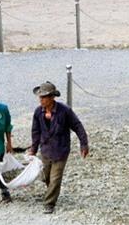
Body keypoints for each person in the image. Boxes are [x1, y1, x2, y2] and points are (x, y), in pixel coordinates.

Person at [29, 81, 89, 214]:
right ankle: (52, 192)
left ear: (51, 98)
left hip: (61, 150)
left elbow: (77, 126)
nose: (41, 100)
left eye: (43, 97)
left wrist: (84, 144)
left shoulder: (64, 111)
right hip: (45, 149)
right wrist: (33, 149)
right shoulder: (38, 112)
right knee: (45, 177)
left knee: (55, 178)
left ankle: (49, 203)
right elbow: (35, 131)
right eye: (40, 97)